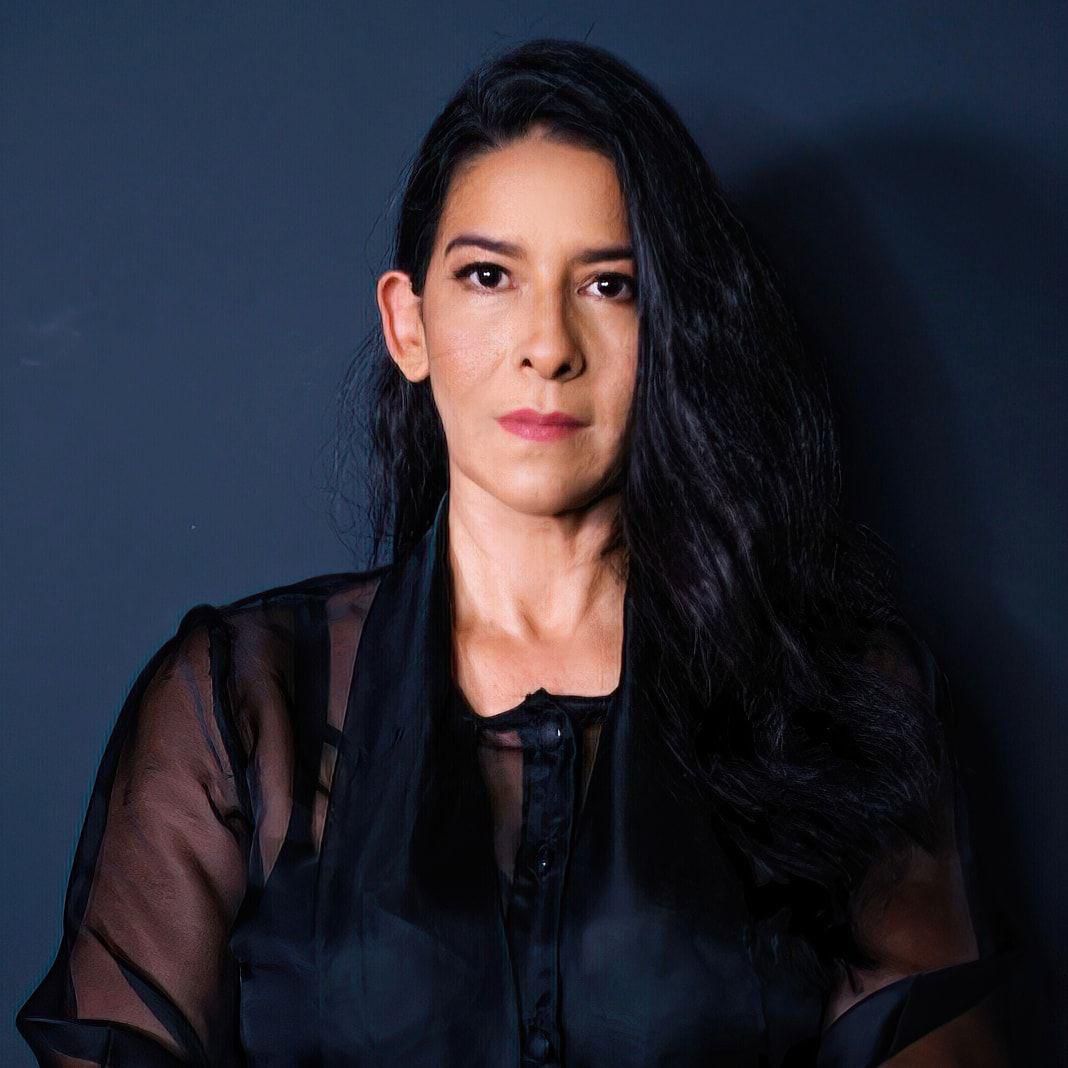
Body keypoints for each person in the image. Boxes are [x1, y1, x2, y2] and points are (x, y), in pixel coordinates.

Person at [17, 37, 1016, 1067]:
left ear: (676, 330)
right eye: (490, 276)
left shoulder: (833, 696)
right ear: (408, 325)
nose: (548, 346)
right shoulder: (242, 706)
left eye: (610, 285)